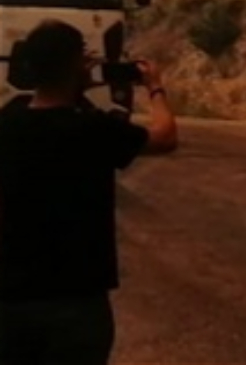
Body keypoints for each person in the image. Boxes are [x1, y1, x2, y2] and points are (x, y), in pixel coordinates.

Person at [0, 19, 179, 365]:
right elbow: (165, 136)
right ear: (73, 65)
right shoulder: (94, 129)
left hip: (11, 298)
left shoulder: (8, 121)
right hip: (76, 300)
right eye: (84, 56)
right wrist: (155, 88)